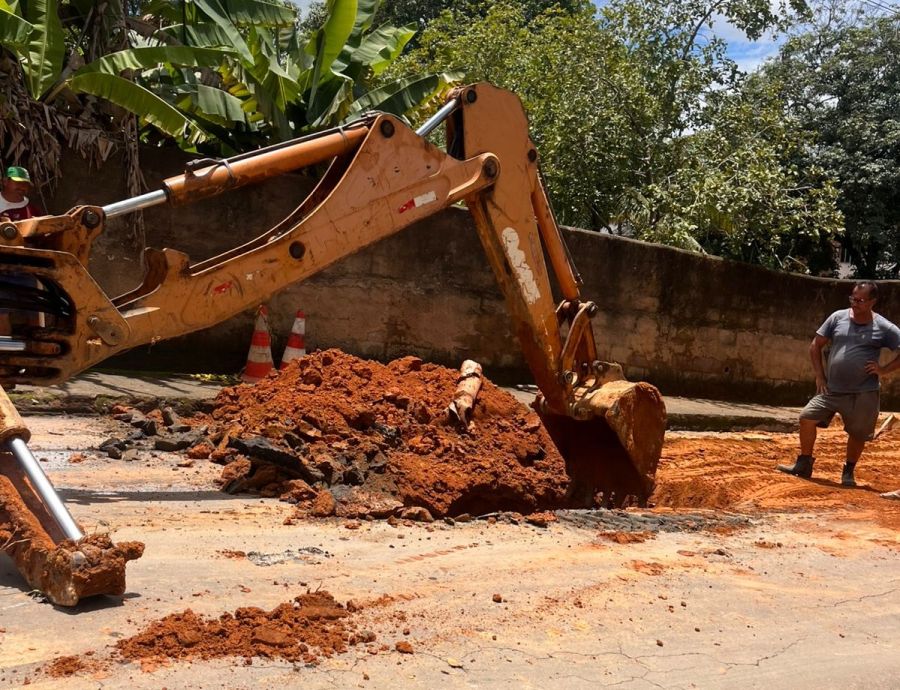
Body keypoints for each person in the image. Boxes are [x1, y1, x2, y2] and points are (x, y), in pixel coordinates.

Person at [777, 281, 900, 487]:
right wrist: (819, 376)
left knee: (857, 433)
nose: (855, 303)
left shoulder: (883, 327)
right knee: (806, 418)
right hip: (831, 389)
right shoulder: (837, 317)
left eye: (860, 300)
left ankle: (848, 472)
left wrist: (883, 370)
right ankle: (804, 463)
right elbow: (816, 345)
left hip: (863, 393)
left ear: (873, 302)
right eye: (853, 298)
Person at [0, 165, 43, 335]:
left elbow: (42, 236)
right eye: (17, 183)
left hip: (26, 270)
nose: (22, 188)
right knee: (1, 315)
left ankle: (40, 350)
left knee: (36, 314)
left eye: (25, 184)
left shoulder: (31, 210)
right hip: (1, 270)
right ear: (5, 181)